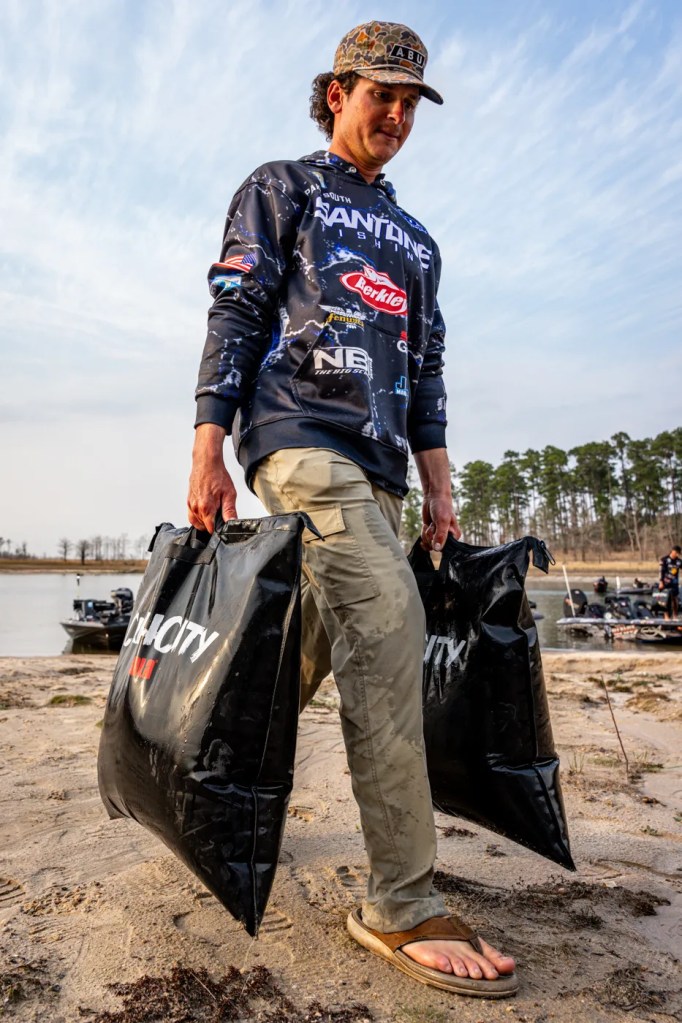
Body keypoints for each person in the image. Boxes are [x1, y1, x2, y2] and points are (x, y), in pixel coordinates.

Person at [187, 21, 517, 998]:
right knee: (387, 619)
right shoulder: (283, 187)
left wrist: (439, 482)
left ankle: (198, 780)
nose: (398, 115)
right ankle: (401, 901)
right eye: (382, 95)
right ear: (336, 93)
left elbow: (427, 370)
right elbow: (237, 307)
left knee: (301, 653)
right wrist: (208, 442)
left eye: (412, 102)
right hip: (296, 439)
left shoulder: (417, 241)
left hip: (381, 469)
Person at [658, 544, 681, 619]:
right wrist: (661, 582)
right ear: (673, 551)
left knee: (675, 599)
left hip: (674, 583)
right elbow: (661, 571)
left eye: (678, 553)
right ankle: (666, 617)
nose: (677, 555)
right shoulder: (664, 559)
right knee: (666, 600)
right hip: (666, 582)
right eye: (676, 553)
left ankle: (675, 616)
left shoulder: (678, 561)